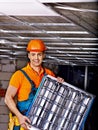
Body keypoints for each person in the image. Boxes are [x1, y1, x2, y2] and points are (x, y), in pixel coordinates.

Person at [5, 39, 64, 130]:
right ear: (28, 55)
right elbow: (8, 98)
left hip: (41, 123)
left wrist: (59, 83)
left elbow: (55, 98)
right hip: (23, 124)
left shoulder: (49, 74)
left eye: (39, 54)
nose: (36, 58)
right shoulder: (19, 75)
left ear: (43, 55)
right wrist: (19, 116)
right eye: (33, 54)